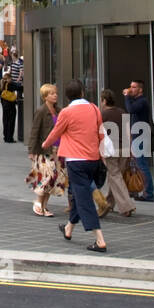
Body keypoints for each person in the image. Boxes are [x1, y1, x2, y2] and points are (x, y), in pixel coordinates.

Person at [44, 81, 108, 253]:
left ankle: (99, 239)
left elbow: (56, 132)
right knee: (78, 193)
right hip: (93, 159)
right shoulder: (94, 109)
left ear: (67, 96)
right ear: (82, 92)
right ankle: (69, 228)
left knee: (83, 198)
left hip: (75, 161)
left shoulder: (66, 112)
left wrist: (45, 144)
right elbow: (101, 132)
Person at [26, 83, 67, 216]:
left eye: (55, 93)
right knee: (48, 176)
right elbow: (35, 131)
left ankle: (44, 206)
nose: (55, 95)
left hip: (58, 149)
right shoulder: (41, 111)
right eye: (51, 93)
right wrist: (31, 150)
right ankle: (38, 203)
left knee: (54, 178)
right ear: (45, 96)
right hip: (45, 150)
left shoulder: (59, 111)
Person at [98, 90, 135, 217]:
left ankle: (127, 206)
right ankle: (108, 203)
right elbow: (128, 132)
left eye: (101, 100)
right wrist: (130, 149)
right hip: (124, 148)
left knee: (115, 176)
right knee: (117, 176)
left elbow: (99, 133)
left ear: (104, 100)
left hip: (112, 150)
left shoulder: (102, 114)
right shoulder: (122, 112)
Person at [123, 80, 154, 201]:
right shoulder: (136, 101)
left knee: (142, 165)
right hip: (137, 136)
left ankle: (149, 193)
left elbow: (130, 109)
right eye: (130, 87)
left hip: (141, 137)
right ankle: (139, 189)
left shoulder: (142, 101)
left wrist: (126, 96)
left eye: (134, 87)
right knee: (137, 164)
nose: (130, 89)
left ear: (140, 90)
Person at [1, 49, 23, 143]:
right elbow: (20, 88)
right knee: (11, 120)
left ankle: (5, 136)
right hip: (10, 104)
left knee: (5, 120)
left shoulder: (2, 84)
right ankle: (10, 137)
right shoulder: (11, 84)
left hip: (4, 104)